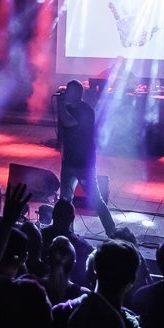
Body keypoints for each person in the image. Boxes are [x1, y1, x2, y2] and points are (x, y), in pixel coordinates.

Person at [58, 79, 114, 235]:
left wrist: (60, 104)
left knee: (96, 200)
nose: (66, 93)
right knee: (65, 200)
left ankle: (112, 232)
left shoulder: (86, 111)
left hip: (84, 164)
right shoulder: (68, 108)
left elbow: (69, 122)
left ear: (76, 93)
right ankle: (66, 232)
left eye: (68, 90)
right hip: (68, 162)